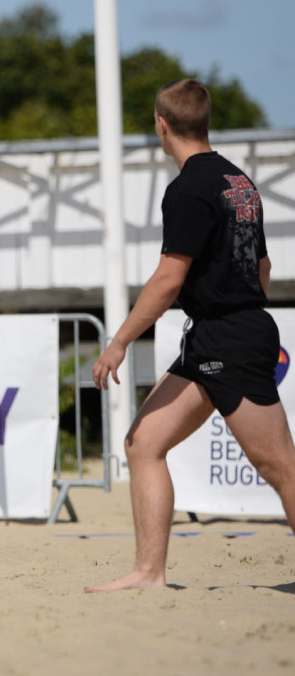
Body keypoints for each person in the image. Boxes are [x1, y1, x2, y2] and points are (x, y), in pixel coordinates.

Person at [86, 79, 295, 592]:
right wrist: (240, 307)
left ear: (161, 125)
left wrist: (119, 343)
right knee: (143, 443)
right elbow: (262, 265)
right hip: (219, 335)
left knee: (280, 467)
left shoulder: (188, 187)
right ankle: (148, 573)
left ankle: (148, 571)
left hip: (227, 338)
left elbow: (168, 279)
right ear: (204, 121)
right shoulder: (238, 181)